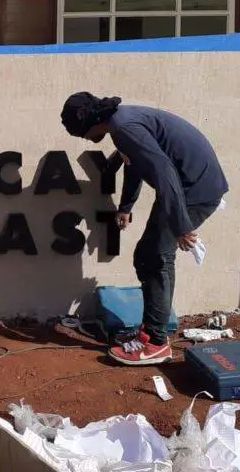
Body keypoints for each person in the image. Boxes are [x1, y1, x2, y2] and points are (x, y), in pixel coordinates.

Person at [61, 92, 228, 366]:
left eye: (79, 133)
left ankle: (156, 342)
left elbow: (164, 173)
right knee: (150, 256)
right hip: (185, 187)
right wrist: (126, 206)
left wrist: (181, 225)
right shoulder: (120, 125)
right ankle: (151, 331)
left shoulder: (123, 128)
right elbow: (136, 165)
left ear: (89, 123)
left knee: (155, 257)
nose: (81, 138)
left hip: (193, 189)